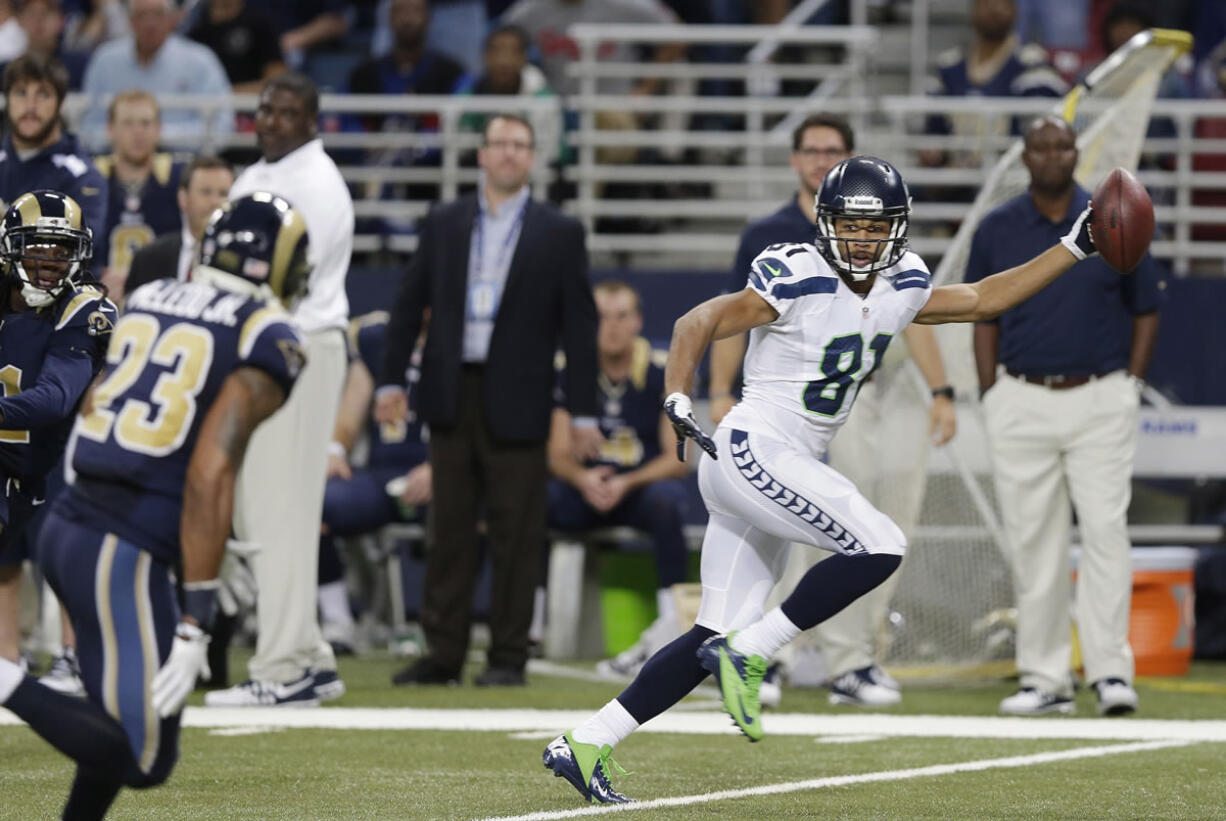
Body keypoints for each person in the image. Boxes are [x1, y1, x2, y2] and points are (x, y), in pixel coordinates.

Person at [543, 154, 1105, 803]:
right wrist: (677, 394)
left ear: (897, 227)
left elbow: (984, 298)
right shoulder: (796, 273)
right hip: (756, 447)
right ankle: (754, 649)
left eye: (877, 227)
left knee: (711, 631)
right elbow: (695, 321)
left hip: (783, 462)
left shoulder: (905, 281)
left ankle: (585, 742)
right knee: (881, 543)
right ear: (826, 221)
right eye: (851, 225)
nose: (864, 239)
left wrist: (1074, 246)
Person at [0, 192, 309, 821]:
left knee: (138, 740)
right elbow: (211, 471)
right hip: (122, 540)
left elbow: (91, 411)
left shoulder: (149, 299)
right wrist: (198, 609)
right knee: (137, 756)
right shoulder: (267, 335)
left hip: (75, 517)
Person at [711, 113, 957, 708]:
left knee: (859, 531)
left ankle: (851, 660)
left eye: (833, 149)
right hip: (780, 405)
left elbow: (915, 311)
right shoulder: (769, 234)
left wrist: (941, 389)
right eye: (812, 149)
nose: (821, 158)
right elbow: (727, 318)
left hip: (851, 401)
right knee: (779, 527)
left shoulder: (879, 225)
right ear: (796, 159)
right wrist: (720, 393)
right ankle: (767, 657)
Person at [376, 112, 602, 687]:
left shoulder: (559, 231)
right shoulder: (447, 221)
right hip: (450, 390)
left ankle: (507, 656)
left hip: (521, 397)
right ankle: (442, 654)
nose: (507, 153)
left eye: (518, 145)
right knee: (447, 529)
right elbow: (409, 305)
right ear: (481, 154)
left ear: (532, 157)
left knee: (516, 532)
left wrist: (581, 411)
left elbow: (579, 327)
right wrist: (391, 380)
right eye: (498, 143)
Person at [969, 115, 1163, 717]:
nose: (1053, 155)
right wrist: (990, 390)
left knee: (1106, 533)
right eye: (1041, 146)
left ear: (1076, 153)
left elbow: (1146, 307)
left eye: (1063, 145)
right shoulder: (997, 227)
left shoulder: (1112, 216)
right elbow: (982, 312)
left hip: (1099, 396)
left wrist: (1130, 382)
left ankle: (1109, 674)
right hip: (1020, 395)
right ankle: (1046, 678)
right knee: (1034, 544)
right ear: (1024, 157)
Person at [205, 72, 353, 708]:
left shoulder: (317, 185)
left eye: (288, 112)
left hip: (300, 348)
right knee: (266, 507)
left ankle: (283, 666)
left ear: (313, 120)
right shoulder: (257, 174)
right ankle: (311, 657)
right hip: (270, 347)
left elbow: (278, 285)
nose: (271, 120)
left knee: (278, 513)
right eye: (266, 109)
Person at [547, 279, 689, 678]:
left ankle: (671, 627)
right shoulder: (569, 371)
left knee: (668, 500)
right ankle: (531, 624)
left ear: (638, 321)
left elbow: (678, 458)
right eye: (602, 317)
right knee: (528, 500)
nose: (611, 326)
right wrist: (583, 479)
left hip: (636, 491)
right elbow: (556, 454)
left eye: (621, 316)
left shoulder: (662, 369)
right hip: (583, 491)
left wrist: (626, 483)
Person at [0, 191, 116, 672]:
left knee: (71, 561)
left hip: (51, 465)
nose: (49, 261)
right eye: (37, 247)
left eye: (61, 249)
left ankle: (76, 658)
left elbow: (54, 398)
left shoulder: (84, 308)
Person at [318, 310, 430, 654]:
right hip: (385, 473)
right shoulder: (379, 337)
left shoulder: (473, 338)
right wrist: (336, 449)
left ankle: (442, 626)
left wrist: (438, 467)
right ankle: (338, 621)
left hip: (451, 473)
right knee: (317, 504)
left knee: (490, 512)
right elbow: (353, 407)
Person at [0, 54, 108, 271]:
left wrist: (5, 219)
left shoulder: (81, 176)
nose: (30, 106)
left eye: (43, 95)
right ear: (7, 99)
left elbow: (78, 249)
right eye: (21, 93)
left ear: (60, 103)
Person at [80, 0, 233, 149]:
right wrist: (130, 139)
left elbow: (222, 126)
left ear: (172, 18)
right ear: (130, 20)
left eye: (158, 14)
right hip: (114, 162)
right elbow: (88, 126)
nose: (150, 23)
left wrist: (159, 136)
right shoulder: (105, 60)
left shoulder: (201, 60)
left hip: (185, 163)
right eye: (142, 15)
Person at [92, 89, 184, 289]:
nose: (137, 131)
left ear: (159, 129)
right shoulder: (90, 180)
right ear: (110, 129)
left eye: (145, 123)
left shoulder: (180, 179)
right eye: (127, 123)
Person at [123, 154, 234, 296]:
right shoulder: (148, 258)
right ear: (183, 198)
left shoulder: (240, 264)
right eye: (206, 192)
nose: (215, 202)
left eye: (223, 194)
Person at [187, 0, 287, 94]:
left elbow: (277, 82)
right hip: (204, 106)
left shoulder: (259, 24)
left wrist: (226, 93)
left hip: (248, 105)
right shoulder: (195, 30)